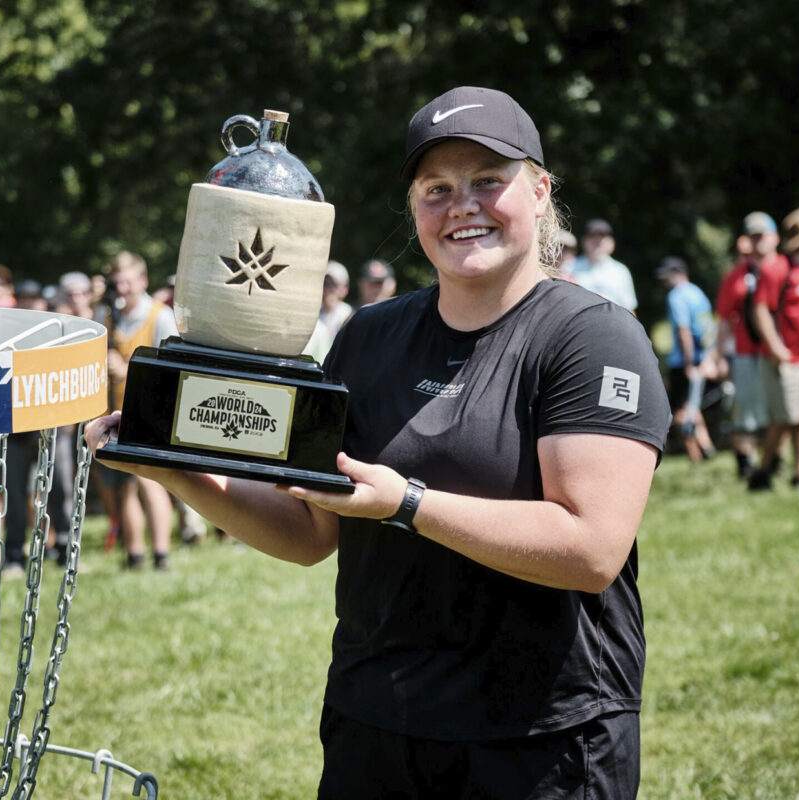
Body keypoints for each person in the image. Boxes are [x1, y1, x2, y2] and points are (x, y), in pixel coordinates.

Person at [87, 86, 669, 797]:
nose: (463, 205)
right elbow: (310, 530)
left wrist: (408, 505)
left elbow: (590, 549)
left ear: (540, 191)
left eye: (489, 180)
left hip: (542, 739)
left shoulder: (591, 337)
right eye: (437, 188)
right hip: (378, 724)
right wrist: (171, 467)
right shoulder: (369, 336)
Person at [101, 251, 178, 569]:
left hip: (152, 412)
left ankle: (161, 555)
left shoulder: (160, 316)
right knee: (123, 487)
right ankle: (134, 555)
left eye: (128, 283)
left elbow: (171, 370)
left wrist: (128, 370)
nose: (122, 290)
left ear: (142, 282)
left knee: (151, 483)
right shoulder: (106, 317)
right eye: (117, 283)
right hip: (115, 412)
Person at [747, 206, 799, 490]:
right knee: (786, 419)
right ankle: (763, 472)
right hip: (785, 359)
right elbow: (760, 310)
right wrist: (776, 346)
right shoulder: (777, 269)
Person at [714, 212, 777, 479]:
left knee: (779, 412)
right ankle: (745, 464)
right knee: (745, 413)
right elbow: (725, 319)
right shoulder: (736, 277)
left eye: (762, 235)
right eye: (753, 236)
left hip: (778, 354)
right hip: (747, 353)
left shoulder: (783, 269)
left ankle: (775, 461)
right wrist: (717, 354)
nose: (758, 242)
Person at [656, 256, 716, 462]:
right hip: (701, 359)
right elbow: (708, 328)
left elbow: (684, 331)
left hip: (683, 363)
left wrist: (689, 363)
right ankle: (706, 446)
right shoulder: (699, 294)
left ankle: (696, 456)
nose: (665, 282)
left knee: (680, 410)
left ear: (678, 273)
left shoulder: (676, 296)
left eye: (667, 276)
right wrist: (707, 357)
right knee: (692, 406)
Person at [566, 218, 638, 312]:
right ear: (583, 242)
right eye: (592, 236)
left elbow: (629, 309)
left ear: (612, 243)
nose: (597, 241)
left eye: (602, 237)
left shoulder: (621, 271)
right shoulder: (569, 268)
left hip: (613, 323)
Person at [319, 260, 354, 342]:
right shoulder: (313, 314)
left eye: (331, 283)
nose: (326, 289)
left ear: (345, 288)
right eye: (323, 283)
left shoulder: (349, 315)